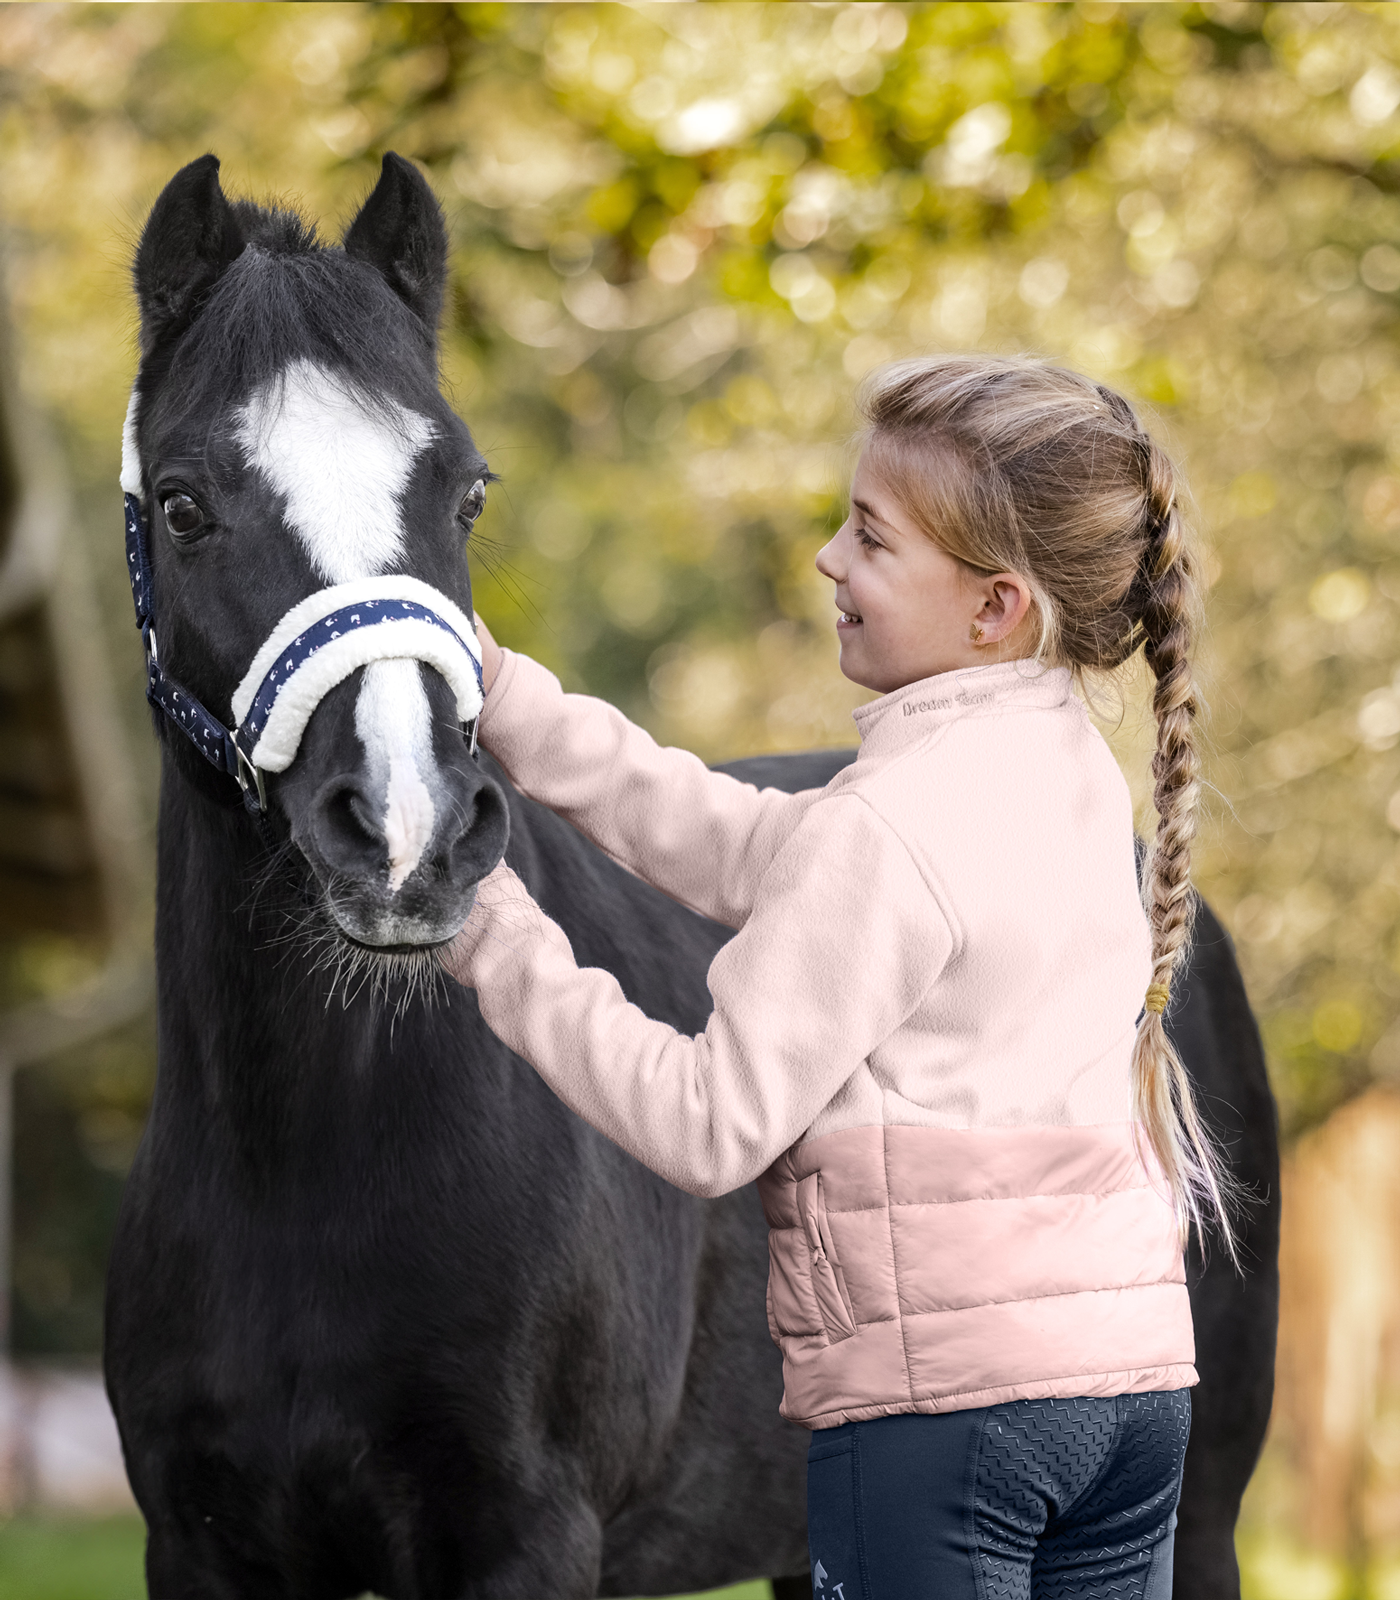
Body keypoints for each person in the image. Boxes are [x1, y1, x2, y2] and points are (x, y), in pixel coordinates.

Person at [442, 353, 1233, 1599]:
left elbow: (708, 1123)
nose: (827, 560)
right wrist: (508, 702)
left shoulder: (886, 830)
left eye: (869, 538)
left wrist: (489, 930)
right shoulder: (1062, 768)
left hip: (947, 1419)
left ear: (995, 610)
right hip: (1124, 1399)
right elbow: (745, 842)